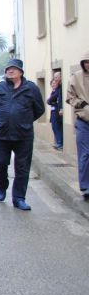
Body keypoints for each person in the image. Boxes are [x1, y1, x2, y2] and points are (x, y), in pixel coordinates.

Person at [0, 59, 45, 211]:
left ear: (21, 72)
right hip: (1, 134)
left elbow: (39, 109)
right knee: (0, 164)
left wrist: (23, 120)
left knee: (22, 168)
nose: (10, 71)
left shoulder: (31, 88)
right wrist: (4, 120)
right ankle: (2, 185)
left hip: (23, 135)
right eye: (8, 69)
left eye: (14, 69)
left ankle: (19, 198)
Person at [67, 53, 89, 201]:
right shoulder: (76, 77)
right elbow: (70, 97)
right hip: (84, 121)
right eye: (85, 62)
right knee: (85, 154)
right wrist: (82, 105)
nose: (88, 64)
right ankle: (86, 186)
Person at [47, 71, 64, 150]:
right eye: (54, 78)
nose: (55, 80)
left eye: (56, 77)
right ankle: (58, 142)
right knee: (54, 127)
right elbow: (49, 101)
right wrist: (51, 100)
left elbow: (52, 99)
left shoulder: (59, 88)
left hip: (57, 112)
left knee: (57, 127)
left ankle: (60, 143)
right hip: (53, 112)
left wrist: (51, 100)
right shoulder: (54, 90)